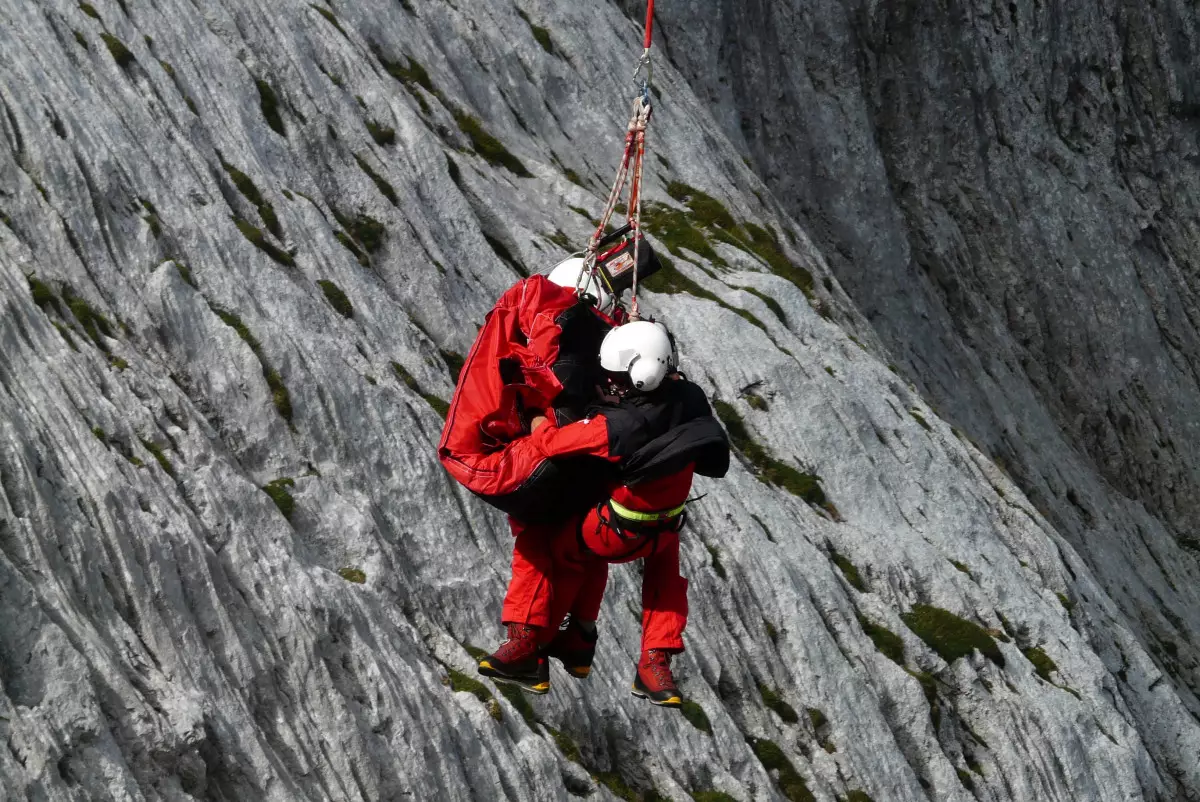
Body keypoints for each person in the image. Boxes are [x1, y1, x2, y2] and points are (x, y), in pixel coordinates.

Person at [478, 320, 730, 706]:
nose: (610, 383)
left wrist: (534, 412)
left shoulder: (618, 427)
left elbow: (550, 443)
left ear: (637, 377)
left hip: (614, 533)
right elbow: (652, 395)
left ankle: (529, 644)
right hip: (665, 527)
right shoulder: (689, 396)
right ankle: (652, 664)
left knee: (544, 541)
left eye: (616, 378)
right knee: (662, 579)